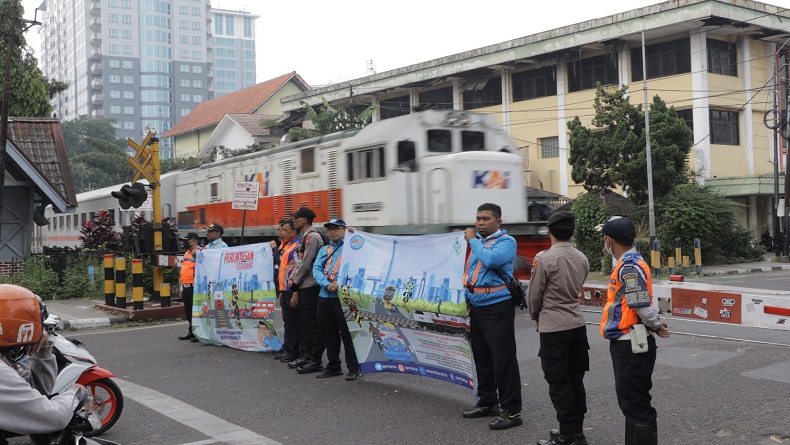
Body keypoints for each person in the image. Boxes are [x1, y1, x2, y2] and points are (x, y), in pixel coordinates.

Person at [597, 216, 670, 445]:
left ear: (609, 240)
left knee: (634, 402)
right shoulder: (631, 262)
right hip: (628, 340)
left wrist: (656, 325)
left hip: (631, 342)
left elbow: (639, 303)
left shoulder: (628, 267)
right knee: (631, 401)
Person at [528, 211, 590, 445]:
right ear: (573, 232)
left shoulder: (545, 259)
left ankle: (566, 434)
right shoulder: (582, 258)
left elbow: (535, 295)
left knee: (558, 382)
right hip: (577, 324)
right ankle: (578, 431)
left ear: (550, 231)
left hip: (553, 327)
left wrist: (536, 317)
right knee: (576, 380)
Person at [461, 203, 523, 430]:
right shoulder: (480, 244)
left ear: (498, 222)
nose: (480, 222)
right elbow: (472, 274)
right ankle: (487, 401)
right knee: (483, 358)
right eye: (478, 218)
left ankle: (512, 410)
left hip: (498, 307)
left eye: (486, 219)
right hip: (477, 307)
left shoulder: (506, 242)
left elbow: (490, 261)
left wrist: (473, 240)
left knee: (503, 359)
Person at [0, 284, 81, 439]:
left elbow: (35, 394)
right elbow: (53, 418)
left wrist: (43, 351)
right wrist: (75, 393)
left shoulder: (5, 364)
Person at [312, 218, 363, 381]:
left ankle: (354, 367)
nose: (332, 231)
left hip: (343, 300)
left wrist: (356, 235)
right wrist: (326, 284)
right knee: (328, 334)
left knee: (348, 334)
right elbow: (316, 269)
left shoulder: (352, 247)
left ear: (344, 230)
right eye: (330, 229)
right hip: (324, 297)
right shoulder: (324, 250)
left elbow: (364, 249)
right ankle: (333, 365)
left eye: (336, 228)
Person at [286, 207, 326, 374]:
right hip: (304, 286)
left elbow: (307, 263)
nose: (293, 221)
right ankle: (308, 355)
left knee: (313, 325)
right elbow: (299, 262)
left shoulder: (313, 237)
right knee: (305, 325)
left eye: (296, 218)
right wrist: (295, 282)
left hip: (311, 286)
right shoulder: (305, 237)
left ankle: (316, 359)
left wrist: (295, 283)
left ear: (304, 220)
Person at [273, 218, 302, 363]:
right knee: (287, 321)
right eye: (281, 229)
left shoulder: (297, 246)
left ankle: (295, 350)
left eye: (285, 230)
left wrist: (295, 291)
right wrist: (280, 291)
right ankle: (288, 347)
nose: (282, 233)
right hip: (285, 289)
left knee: (294, 322)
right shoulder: (287, 245)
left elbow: (299, 268)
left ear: (294, 231)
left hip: (292, 289)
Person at [179, 232, 201, 342]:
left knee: (195, 311)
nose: (184, 242)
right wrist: (181, 287)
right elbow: (183, 270)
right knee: (188, 311)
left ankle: (198, 333)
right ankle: (191, 331)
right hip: (186, 286)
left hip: (194, 286)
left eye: (187, 240)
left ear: (194, 240)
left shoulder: (200, 252)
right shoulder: (187, 253)